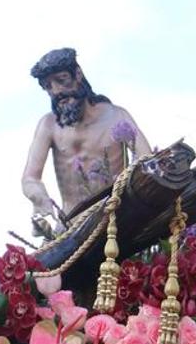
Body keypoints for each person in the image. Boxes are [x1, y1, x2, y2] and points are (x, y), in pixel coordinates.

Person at [22, 48, 152, 226]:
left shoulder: (116, 117)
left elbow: (147, 160)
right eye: (48, 86)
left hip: (118, 218)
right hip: (71, 224)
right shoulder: (49, 125)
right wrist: (40, 199)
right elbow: (30, 178)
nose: (56, 91)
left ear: (78, 74)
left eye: (61, 80)